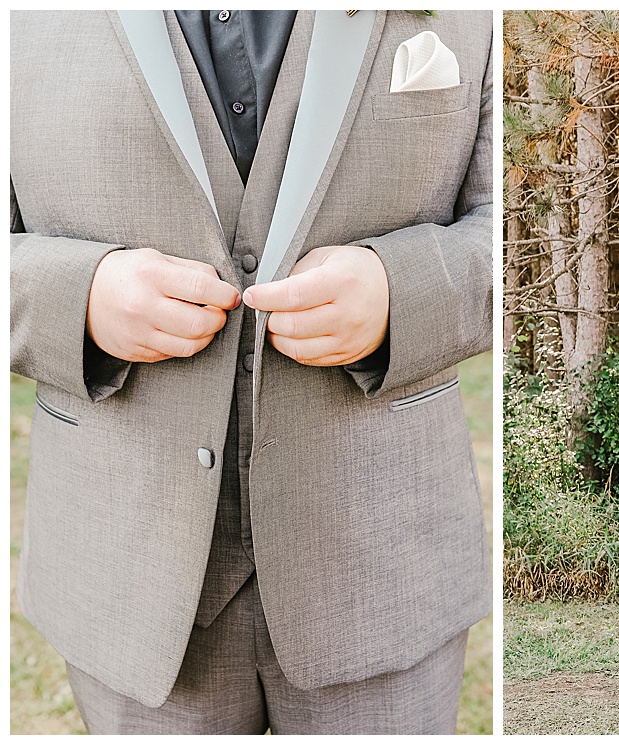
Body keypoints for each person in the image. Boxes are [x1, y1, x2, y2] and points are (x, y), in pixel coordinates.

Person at [11, 10, 492, 733]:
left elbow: (517, 230)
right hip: (127, 575)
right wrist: (75, 300)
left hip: (385, 569)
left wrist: (408, 290)